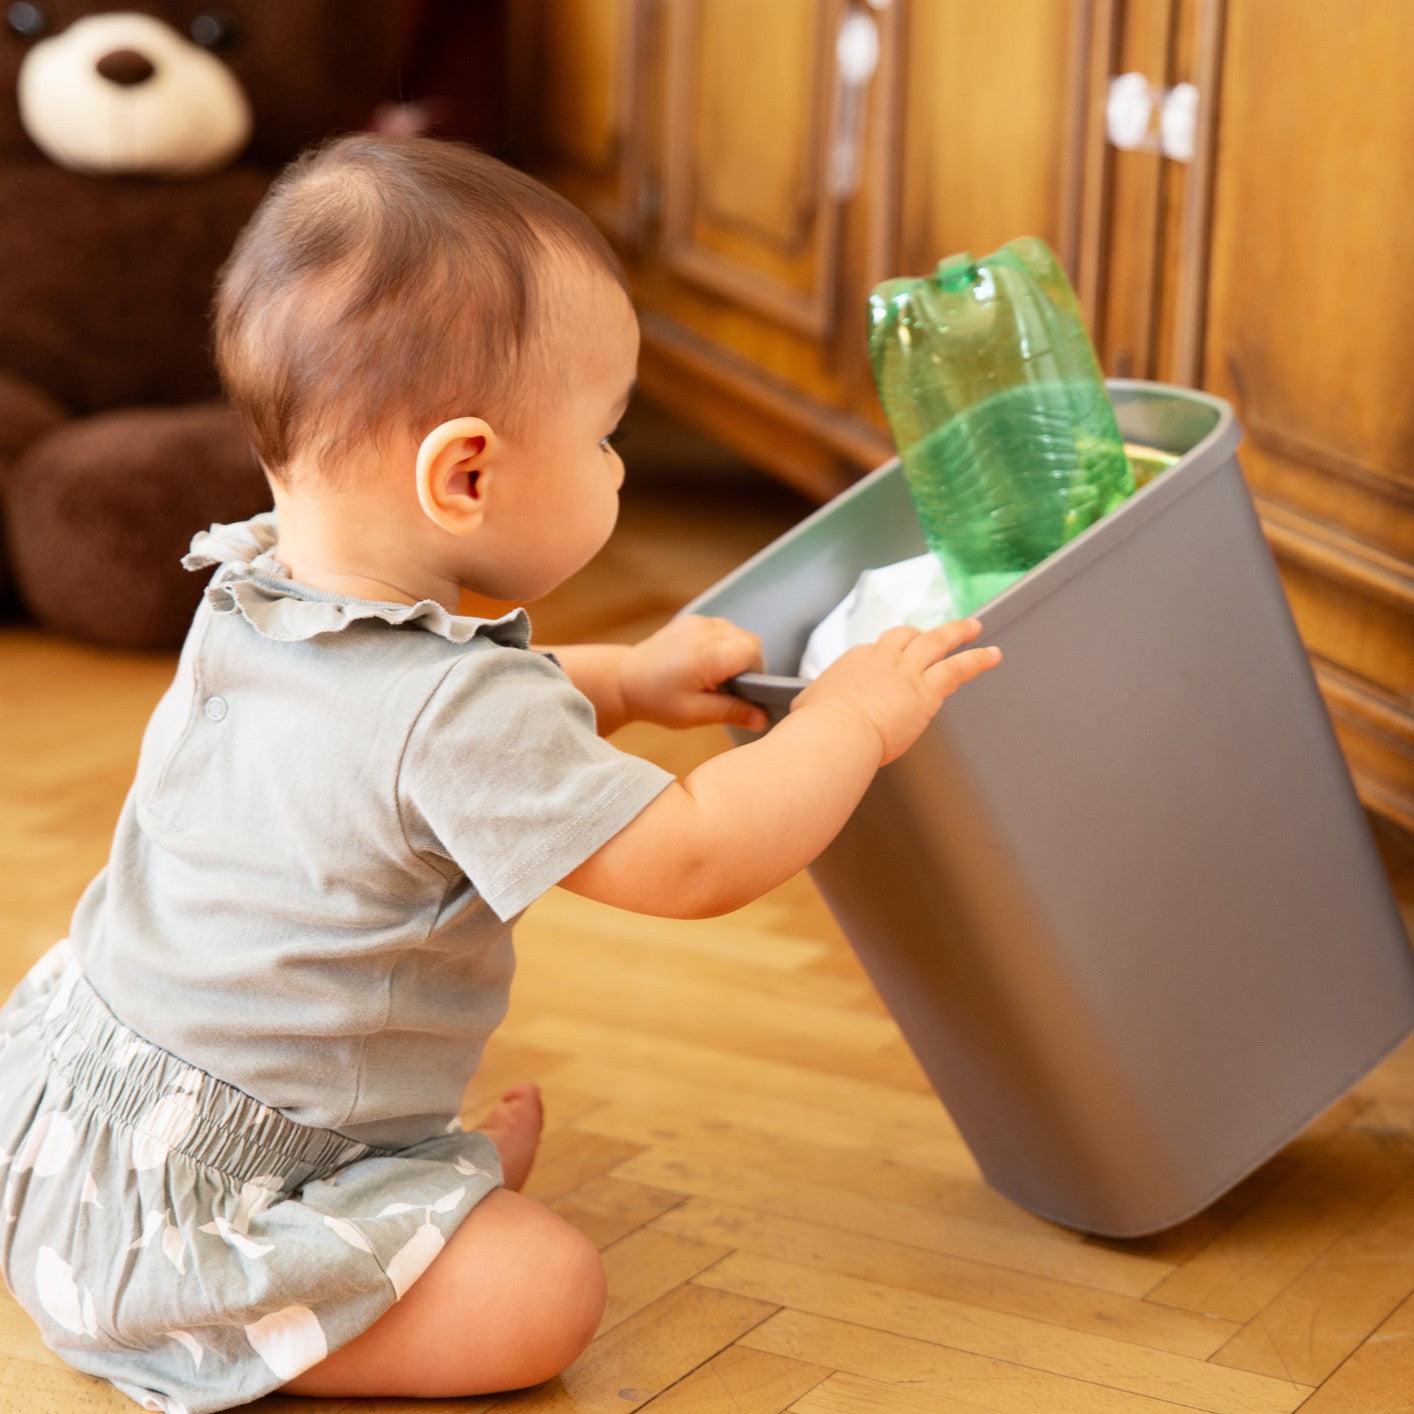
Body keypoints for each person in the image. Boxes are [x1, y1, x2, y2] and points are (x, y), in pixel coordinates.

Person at [0, 135, 1000, 1413]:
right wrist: (851, 719)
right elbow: (689, 856)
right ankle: (331, 1261)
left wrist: (627, 682)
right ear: (466, 473)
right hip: (205, 1204)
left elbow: (406, 742)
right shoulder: (450, 714)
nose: (621, 466)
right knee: (545, 1290)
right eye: (605, 435)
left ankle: (391, 1201)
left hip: (82, 1121)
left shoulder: (253, 586)